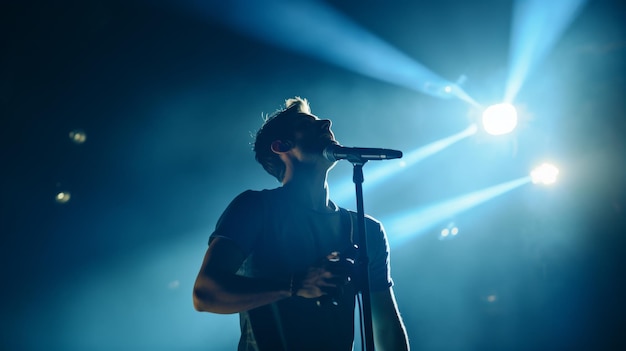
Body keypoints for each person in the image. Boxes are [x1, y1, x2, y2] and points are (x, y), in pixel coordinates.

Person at [193, 97, 409, 351]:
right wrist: (295, 285)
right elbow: (205, 293)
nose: (326, 123)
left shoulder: (366, 230)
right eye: (307, 124)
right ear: (281, 146)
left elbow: (384, 327)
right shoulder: (254, 208)